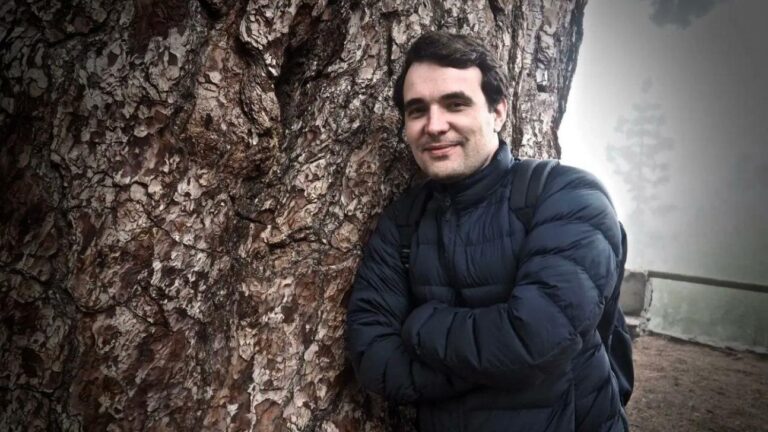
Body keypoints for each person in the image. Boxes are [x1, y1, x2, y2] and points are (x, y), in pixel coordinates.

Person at [345, 31, 627, 432]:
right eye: (417, 110)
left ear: (498, 112)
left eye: (455, 104)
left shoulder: (567, 195)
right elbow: (375, 359)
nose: (434, 125)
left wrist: (420, 325)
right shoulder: (402, 223)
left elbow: (536, 340)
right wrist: (500, 363)